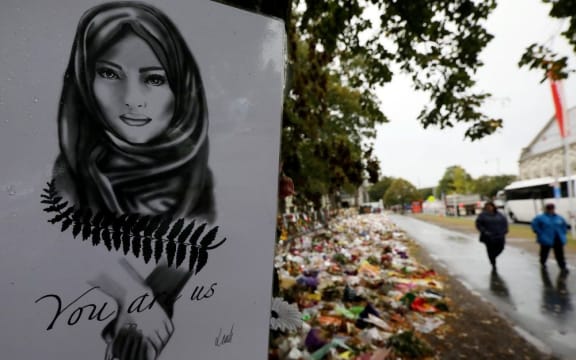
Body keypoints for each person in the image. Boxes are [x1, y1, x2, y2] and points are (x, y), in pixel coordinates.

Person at [51, 2, 217, 359]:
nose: (130, 100)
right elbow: (54, 240)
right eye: (109, 74)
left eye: (154, 79)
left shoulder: (201, 186)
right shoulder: (68, 178)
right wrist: (128, 290)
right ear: (84, 76)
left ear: (181, 89)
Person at [531, 203, 570, 275]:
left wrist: (563, 233)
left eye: (552, 209)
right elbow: (534, 226)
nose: (551, 210)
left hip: (558, 239)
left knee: (560, 254)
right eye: (549, 209)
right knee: (544, 252)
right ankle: (543, 262)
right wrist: (540, 234)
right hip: (546, 239)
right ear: (546, 209)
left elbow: (564, 226)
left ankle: (562, 267)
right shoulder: (540, 217)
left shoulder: (559, 217)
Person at [475, 201, 508, 272]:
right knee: (490, 250)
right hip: (488, 237)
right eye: (487, 207)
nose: (489, 208)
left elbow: (505, 222)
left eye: (490, 206)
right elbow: (478, 224)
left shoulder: (499, 214)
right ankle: (493, 263)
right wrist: (484, 231)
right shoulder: (482, 215)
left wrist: (505, 230)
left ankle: (493, 257)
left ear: (493, 207)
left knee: (501, 248)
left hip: (500, 235)